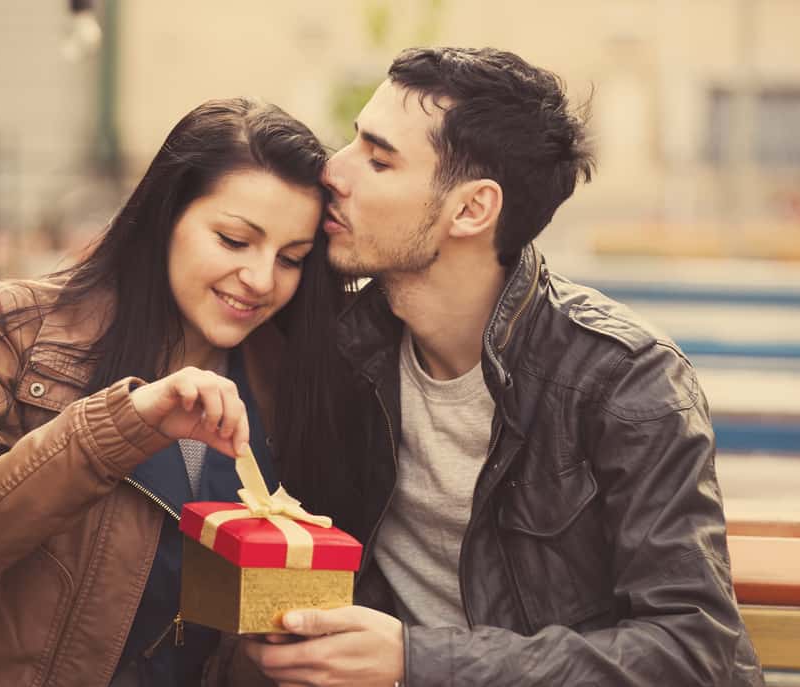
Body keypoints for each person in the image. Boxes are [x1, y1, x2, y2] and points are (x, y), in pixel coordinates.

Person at [245, 47, 763, 686]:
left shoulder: (625, 381)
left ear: (470, 209)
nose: (333, 170)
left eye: (379, 159)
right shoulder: (344, 350)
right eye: (353, 142)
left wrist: (417, 662)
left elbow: (690, 653)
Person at [0, 96, 345, 687]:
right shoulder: (17, 327)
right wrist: (123, 423)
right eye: (234, 241)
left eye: (291, 258)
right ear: (166, 218)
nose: (261, 280)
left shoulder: (289, 382)